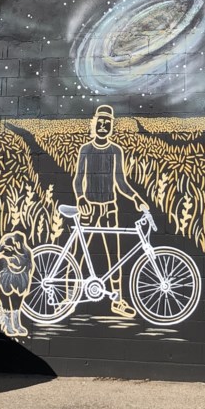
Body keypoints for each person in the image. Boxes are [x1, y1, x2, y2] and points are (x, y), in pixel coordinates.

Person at [72, 105, 148, 318]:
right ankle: (68, 293)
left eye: (107, 123)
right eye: (100, 122)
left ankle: (117, 299)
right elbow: (79, 179)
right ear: (94, 124)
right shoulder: (85, 149)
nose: (103, 127)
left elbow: (121, 182)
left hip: (110, 209)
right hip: (89, 209)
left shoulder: (116, 150)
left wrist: (136, 199)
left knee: (114, 257)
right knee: (79, 252)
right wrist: (80, 199)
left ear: (111, 126)